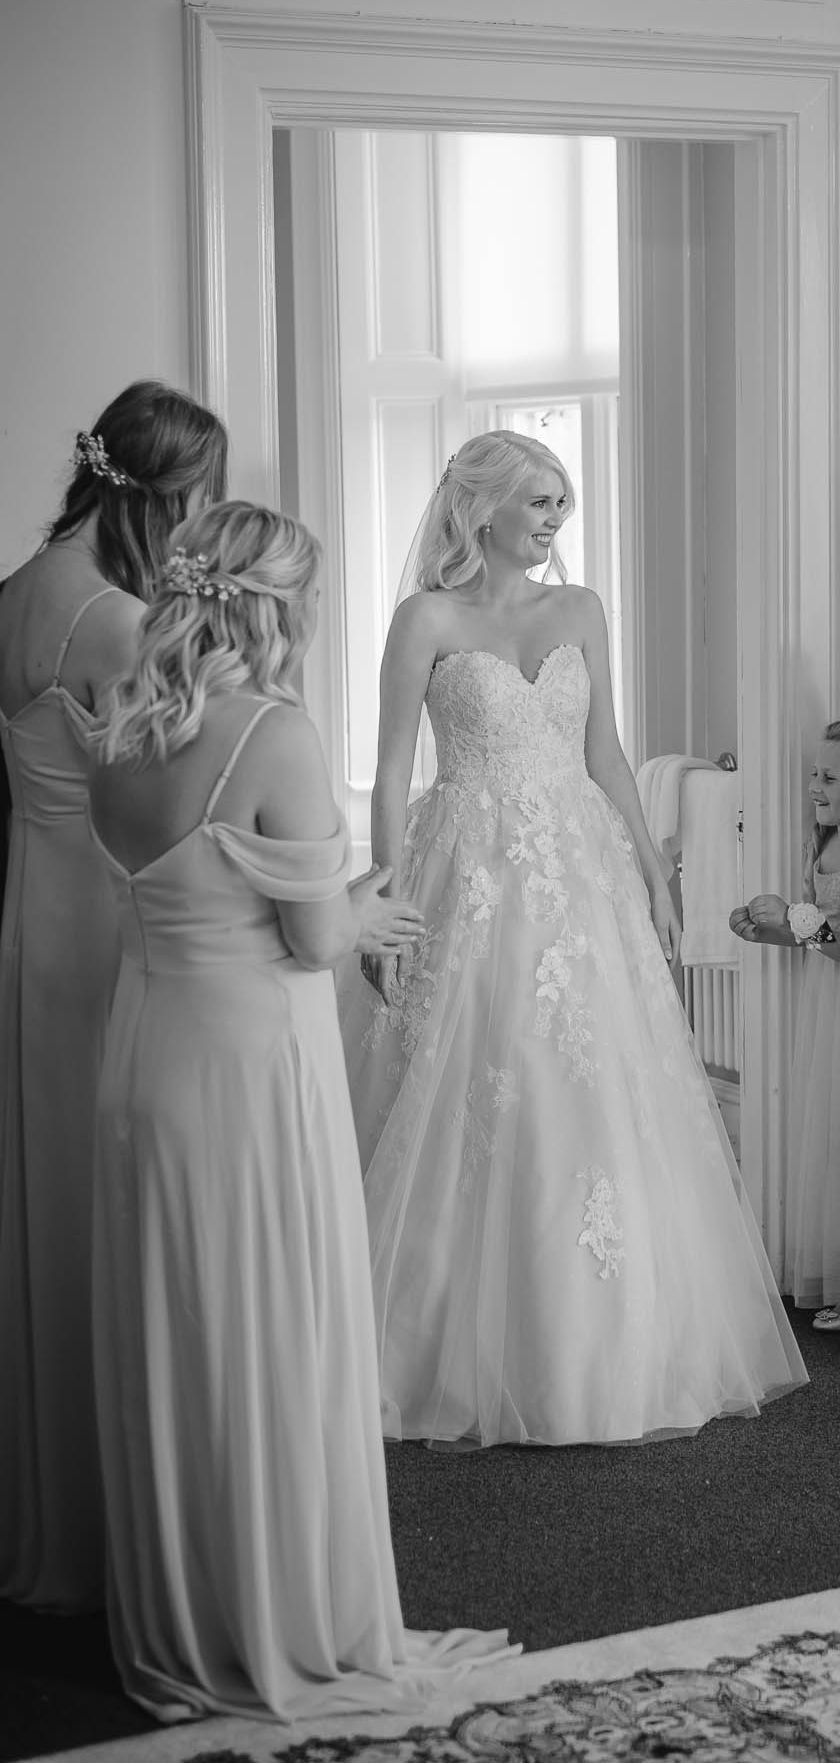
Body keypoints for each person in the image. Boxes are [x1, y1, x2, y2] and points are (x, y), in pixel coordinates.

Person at [86, 501, 508, 1719]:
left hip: (144, 1054)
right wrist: (367, 904)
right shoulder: (272, 731)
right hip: (253, 1066)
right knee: (267, 1321)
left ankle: (186, 1607)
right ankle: (279, 1613)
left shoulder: (118, 722)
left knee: (178, 1329)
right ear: (279, 605)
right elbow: (316, 936)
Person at [339, 431, 807, 1448]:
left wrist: (652, 871)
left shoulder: (581, 609)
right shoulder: (426, 618)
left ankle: (602, 1346)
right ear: (482, 507)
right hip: (467, 869)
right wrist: (386, 893)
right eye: (541, 501)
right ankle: (448, 1336)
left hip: (580, 876)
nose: (556, 520)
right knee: (483, 1077)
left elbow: (605, 752)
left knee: (588, 1083)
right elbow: (389, 769)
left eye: (563, 503)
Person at [0, 380, 228, 1612]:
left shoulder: (16, 590)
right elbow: (178, 787)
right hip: (102, 917)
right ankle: (119, 1513)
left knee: (47, 1189)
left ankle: (52, 1488)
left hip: (28, 913)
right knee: (112, 1195)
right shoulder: (121, 621)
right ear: (162, 493)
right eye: (198, 497)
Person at [731, 719, 840, 1331]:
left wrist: (798, 919)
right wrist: (769, 931)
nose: (813, 786)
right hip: (825, 1008)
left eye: (829, 777)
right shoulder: (821, 847)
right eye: (814, 774)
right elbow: (813, 938)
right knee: (834, 1134)